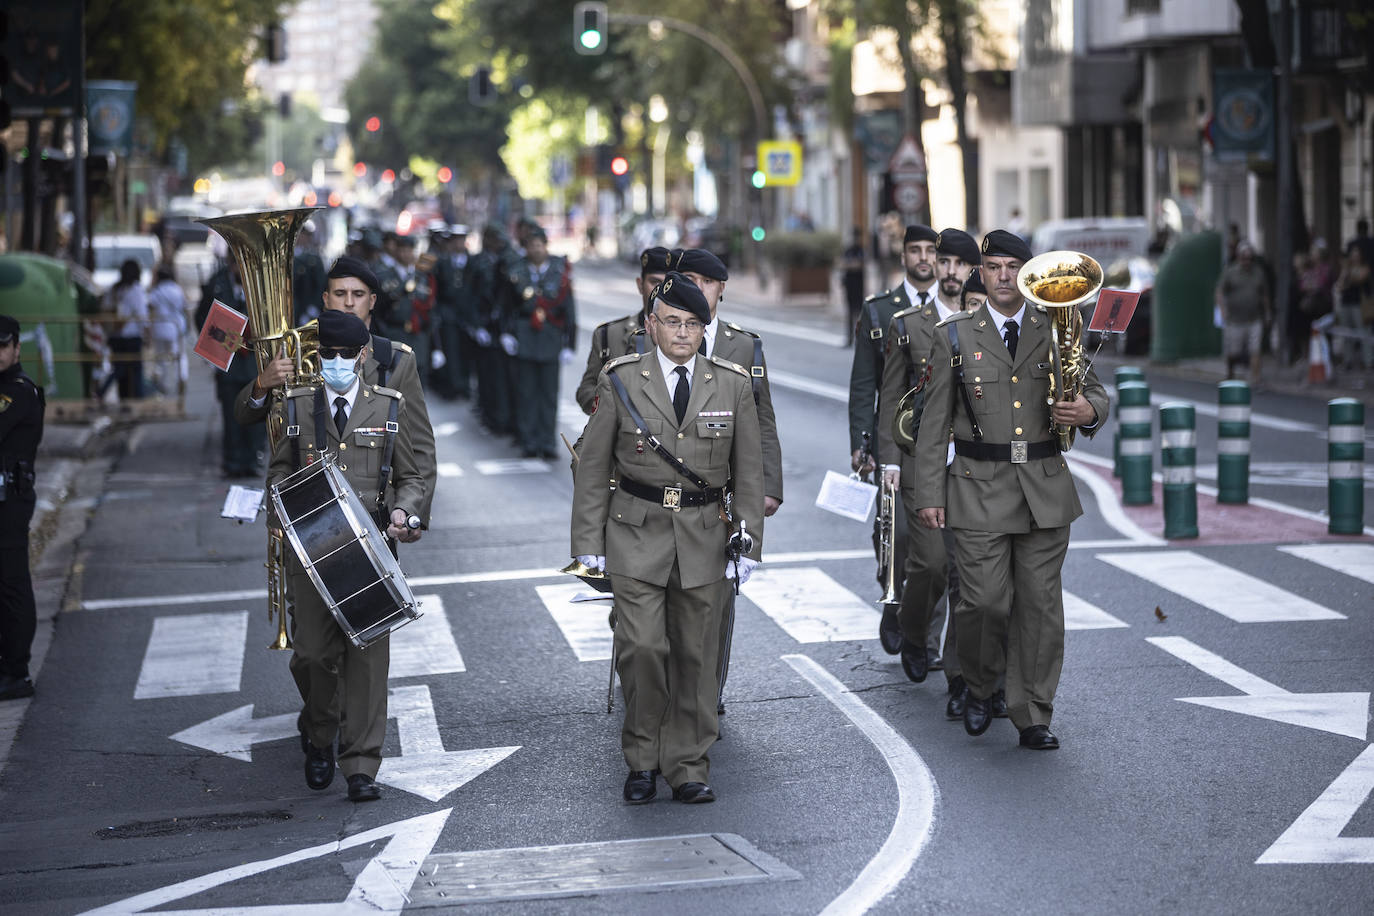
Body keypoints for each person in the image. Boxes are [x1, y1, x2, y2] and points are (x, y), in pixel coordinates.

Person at [570, 272, 764, 804]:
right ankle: (642, 756)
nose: (683, 333)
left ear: (705, 328)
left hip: (704, 536)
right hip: (635, 533)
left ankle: (687, 765)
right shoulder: (622, 379)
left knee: (696, 659)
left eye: (693, 324)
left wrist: (749, 542)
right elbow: (592, 469)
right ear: (652, 325)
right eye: (672, 322)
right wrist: (587, 543)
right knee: (641, 647)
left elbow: (748, 472)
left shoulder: (731, 382)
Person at [914, 229, 1109, 751]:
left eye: (1011, 266)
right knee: (984, 603)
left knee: (1041, 609)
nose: (1001, 276)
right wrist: (929, 495)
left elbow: (1093, 388)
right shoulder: (954, 334)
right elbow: (933, 425)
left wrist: (1089, 411)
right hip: (977, 488)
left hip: (1044, 487)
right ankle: (979, 685)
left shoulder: (1058, 326)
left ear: (1027, 273)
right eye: (992, 266)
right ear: (981, 272)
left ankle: (1033, 712)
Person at [266, 310, 426, 802]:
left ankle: (361, 765)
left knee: (368, 661)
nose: (335, 362)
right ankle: (319, 734)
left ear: (361, 355)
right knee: (312, 654)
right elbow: (275, 478)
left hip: (371, 551)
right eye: (326, 353)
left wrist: (406, 512)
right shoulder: (295, 409)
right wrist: (284, 511)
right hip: (312, 555)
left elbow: (412, 477)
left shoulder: (387, 408)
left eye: (344, 353)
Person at [235, 255, 437, 528]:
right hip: (308, 514)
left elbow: (420, 446)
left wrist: (413, 517)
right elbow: (243, 417)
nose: (350, 302)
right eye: (340, 294)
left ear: (372, 301)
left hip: (373, 516)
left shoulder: (397, 360)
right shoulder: (295, 352)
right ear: (326, 299)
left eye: (359, 294)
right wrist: (262, 383)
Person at [670, 247, 782, 713]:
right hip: (666, 490)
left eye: (705, 281)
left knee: (717, 601)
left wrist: (769, 486)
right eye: (686, 280)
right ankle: (665, 693)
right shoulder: (651, 339)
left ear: (721, 289)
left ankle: (706, 694)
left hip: (726, 492)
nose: (696, 290)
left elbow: (763, 419)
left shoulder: (745, 345)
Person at [877, 229, 979, 687]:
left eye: (961, 264)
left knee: (968, 572)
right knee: (932, 564)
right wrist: (890, 462)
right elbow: (891, 394)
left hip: (977, 467)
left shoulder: (986, 322)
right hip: (922, 462)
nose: (952, 271)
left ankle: (962, 671)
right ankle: (915, 634)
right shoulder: (909, 324)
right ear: (936, 267)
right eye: (946, 262)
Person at [847, 224, 938, 653]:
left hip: (940, 444)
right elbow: (865, 384)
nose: (924, 258)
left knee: (937, 544)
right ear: (902, 257)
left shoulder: (953, 308)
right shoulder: (880, 311)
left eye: (930, 251)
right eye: (915, 251)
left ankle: (919, 624)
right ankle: (892, 596)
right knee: (895, 532)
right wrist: (862, 444)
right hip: (894, 439)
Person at [0, 316, 43, 701]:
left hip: (10, 502)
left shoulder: (18, 389)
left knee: (12, 584)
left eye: (2, 346)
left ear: (15, 348)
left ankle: (17, 671)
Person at [576, 247, 671, 414]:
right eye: (655, 282)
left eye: (668, 283)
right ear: (640, 285)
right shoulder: (609, 335)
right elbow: (586, 391)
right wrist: (612, 407)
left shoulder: (690, 337)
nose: (661, 290)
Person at [508, 225, 576, 458]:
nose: (536, 249)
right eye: (531, 245)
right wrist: (507, 333)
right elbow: (507, 305)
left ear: (546, 246)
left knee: (548, 394)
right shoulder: (517, 270)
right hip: (525, 335)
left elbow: (569, 309)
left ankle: (547, 442)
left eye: (539, 245)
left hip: (550, 336)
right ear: (525, 248)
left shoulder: (559, 272)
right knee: (526, 393)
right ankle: (528, 440)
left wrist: (570, 344)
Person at [197, 260, 264, 477]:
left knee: (255, 414)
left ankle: (252, 460)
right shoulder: (216, 285)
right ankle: (233, 461)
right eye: (236, 265)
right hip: (228, 363)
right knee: (230, 414)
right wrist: (215, 340)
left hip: (254, 363)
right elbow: (201, 317)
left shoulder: (260, 285)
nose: (239, 270)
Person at [1215, 240, 1272, 383]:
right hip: (1235, 319)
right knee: (1234, 351)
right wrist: (1222, 309)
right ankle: (1230, 372)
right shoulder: (1230, 272)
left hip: (1254, 318)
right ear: (1238, 257)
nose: (1246, 261)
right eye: (1243, 257)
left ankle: (1255, 378)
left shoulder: (1258, 273)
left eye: (1249, 258)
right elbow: (1220, 291)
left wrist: (1268, 312)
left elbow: (1264, 294)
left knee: (1255, 349)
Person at [431, 224, 476, 401]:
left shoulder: (472, 261)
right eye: (454, 240)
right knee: (451, 349)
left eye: (461, 240)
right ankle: (452, 386)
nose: (458, 244)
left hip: (466, 313)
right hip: (448, 312)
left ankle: (464, 385)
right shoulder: (442, 262)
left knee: (466, 351)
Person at [98, 259, 148, 401]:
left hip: (115, 336)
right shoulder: (136, 289)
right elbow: (141, 314)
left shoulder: (114, 289)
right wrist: (146, 333)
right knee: (135, 370)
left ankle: (122, 397)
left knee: (120, 368)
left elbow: (105, 308)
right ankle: (137, 399)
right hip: (132, 336)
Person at [146, 266, 188, 397]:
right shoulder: (177, 289)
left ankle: (163, 383)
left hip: (160, 327)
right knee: (180, 355)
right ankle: (182, 377)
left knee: (161, 357)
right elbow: (184, 307)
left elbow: (149, 307)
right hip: (176, 326)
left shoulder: (156, 291)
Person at [841, 229, 866, 345]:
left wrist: (849, 265)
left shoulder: (860, 250)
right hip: (849, 284)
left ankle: (860, 338)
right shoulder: (848, 250)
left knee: (859, 312)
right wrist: (850, 265)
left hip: (858, 284)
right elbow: (841, 264)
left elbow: (859, 265)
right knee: (850, 312)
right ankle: (850, 338)